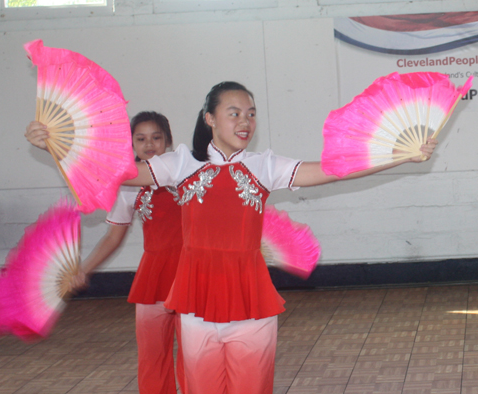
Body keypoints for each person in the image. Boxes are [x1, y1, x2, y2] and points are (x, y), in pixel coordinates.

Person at [27, 82, 437, 394]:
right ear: (210, 118)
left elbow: (332, 169)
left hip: (250, 300)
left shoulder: (264, 166)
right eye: (234, 112)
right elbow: (122, 173)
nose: (245, 121)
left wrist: (399, 155)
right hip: (195, 300)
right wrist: (57, 147)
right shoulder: (180, 163)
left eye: (252, 114)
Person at [25, 111, 184, 394]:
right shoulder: (125, 187)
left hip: (191, 274)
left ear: (169, 142)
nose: (149, 144)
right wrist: (83, 269)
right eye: (141, 138)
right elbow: (113, 236)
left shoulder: (182, 170)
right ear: (131, 144)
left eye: (156, 137)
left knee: (194, 354)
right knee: (152, 355)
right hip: (154, 278)